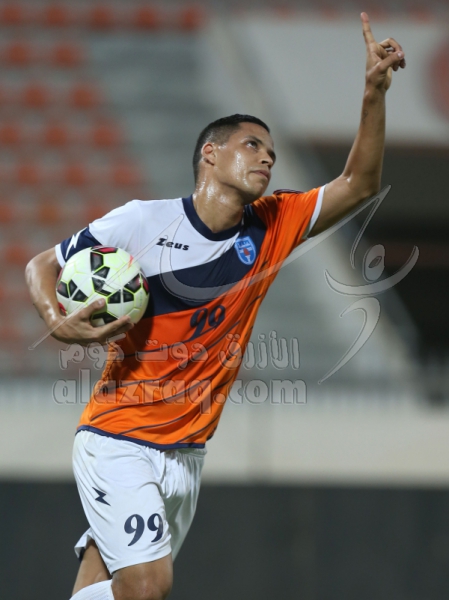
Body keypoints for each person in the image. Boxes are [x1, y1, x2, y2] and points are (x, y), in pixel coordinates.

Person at [25, 13, 405, 600]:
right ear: (210, 153)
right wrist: (58, 323)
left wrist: (373, 92)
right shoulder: (142, 222)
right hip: (119, 436)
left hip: (188, 457)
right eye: (252, 145)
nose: (267, 158)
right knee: (148, 586)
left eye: (272, 152)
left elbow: (359, 183)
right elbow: (41, 264)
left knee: (112, 590)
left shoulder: (273, 224)